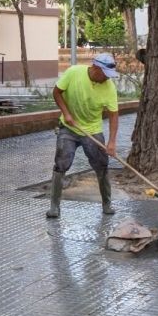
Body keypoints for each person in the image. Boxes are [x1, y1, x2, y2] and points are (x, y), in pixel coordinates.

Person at [45, 52, 120, 219]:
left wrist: (112, 142)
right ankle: (54, 207)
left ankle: (107, 204)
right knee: (61, 164)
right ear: (95, 68)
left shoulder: (109, 88)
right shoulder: (74, 73)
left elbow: (114, 116)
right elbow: (57, 92)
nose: (107, 78)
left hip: (92, 130)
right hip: (68, 128)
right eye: (105, 74)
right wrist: (66, 113)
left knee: (102, 165)